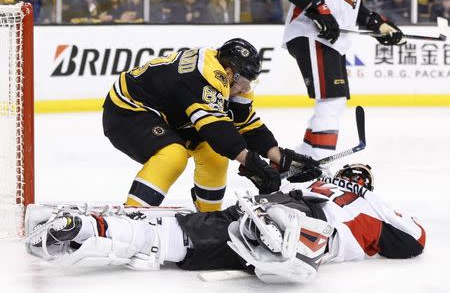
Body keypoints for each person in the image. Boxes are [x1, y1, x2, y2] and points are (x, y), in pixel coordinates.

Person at [25, 163, 426, 283]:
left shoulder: (344, 194)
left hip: (296, 215)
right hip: (294, 215)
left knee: (177, 236)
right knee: (186, 236)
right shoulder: (350, 195)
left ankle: (86, 229)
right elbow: (413, 242)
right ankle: (282, 234)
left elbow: (413, 243)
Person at [102, 38, 320, 213]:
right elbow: (216, 129)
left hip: (169, 116)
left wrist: (279, 156)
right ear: (228, 74)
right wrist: (252, 162)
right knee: (173, 155)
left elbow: (245, 123)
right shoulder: (201, 76)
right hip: (128, 111)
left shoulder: (228, 80)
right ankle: (134, 215)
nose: (246, 89)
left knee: (214, 155)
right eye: (244, 82)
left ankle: (209, 216)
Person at [281, 0, 406, 163]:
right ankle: (318, 162)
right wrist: (319, 10)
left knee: (334, 103)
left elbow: (353, 5)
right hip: (311, 32)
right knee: (332, 101)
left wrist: (379, 24)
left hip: (331, 40)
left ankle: (306, 158)